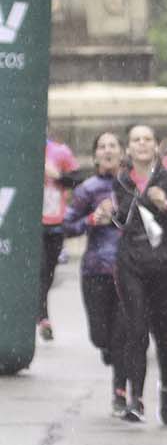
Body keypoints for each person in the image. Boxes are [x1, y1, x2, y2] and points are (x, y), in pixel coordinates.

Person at [112, 124, 167, 425]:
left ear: (157, 146)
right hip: (131, 262)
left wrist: (166, 204)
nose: (142, 144)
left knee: (161, 330)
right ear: (128, 148)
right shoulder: (121, 181)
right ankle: (136, 399)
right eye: (136, 139)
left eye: (148, 139)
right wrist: (109, 212)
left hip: (164, 262)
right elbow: (122, 220)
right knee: (136, 330)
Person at [61, 131, 128, 416]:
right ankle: (109, 349)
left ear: (122, 152)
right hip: (95, 269)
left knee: (122, 336)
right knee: (101, 337)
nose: (108, 150)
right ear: (95, 155)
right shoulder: (87, 189)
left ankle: (120, 393)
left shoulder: (134, 186)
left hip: (129, 270)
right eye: (102, 146)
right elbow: (66, 226)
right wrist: (92, 219)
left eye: (113, 145)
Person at [38, 129, 82, 341]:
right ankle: (42, 316)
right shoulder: (18, 149)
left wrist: (58, 176)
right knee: (39, 270)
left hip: (55, 222)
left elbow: (77, 179)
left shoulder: (60, 152)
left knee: (48, 273)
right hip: (29, 225)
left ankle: (39, 313)